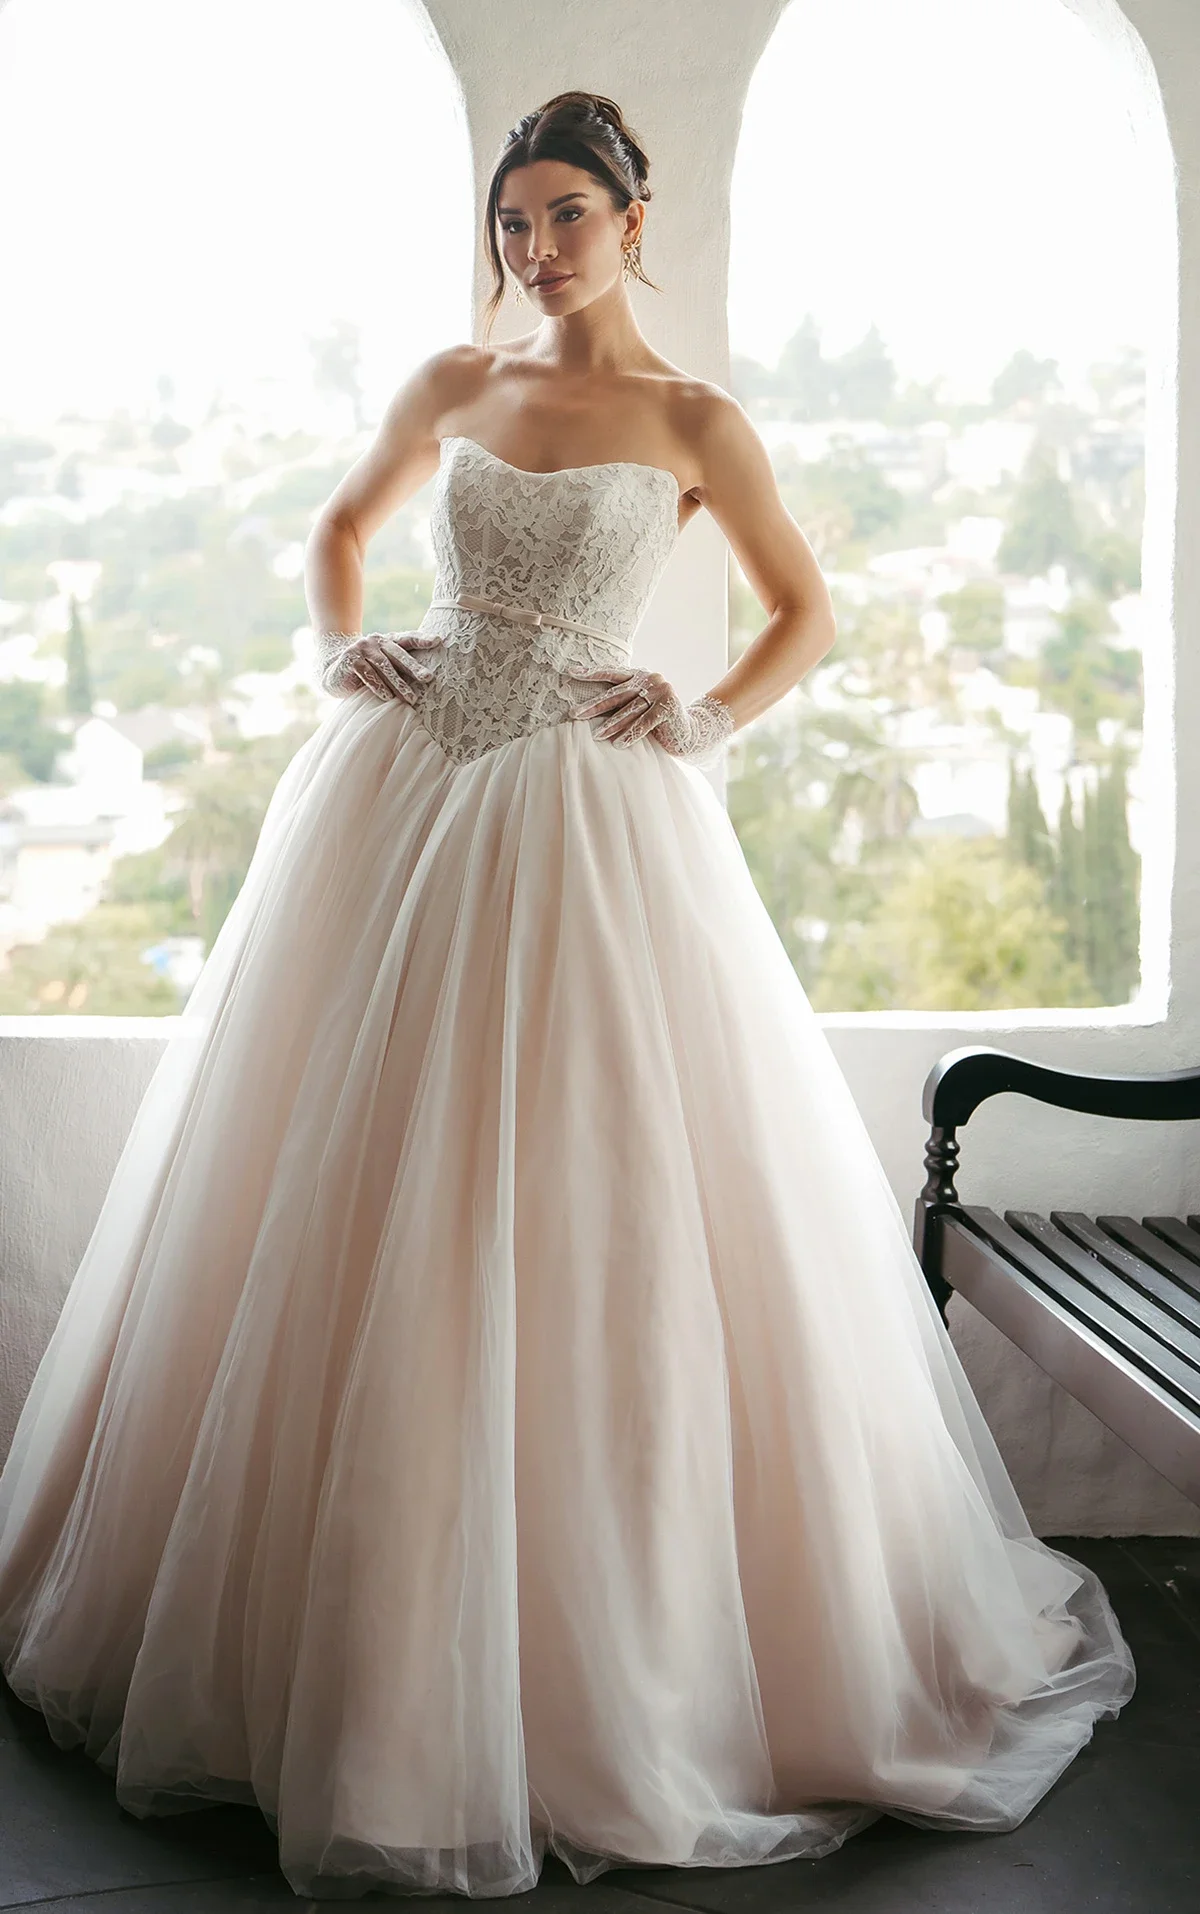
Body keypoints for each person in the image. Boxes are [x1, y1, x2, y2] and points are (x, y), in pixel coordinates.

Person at [0, 89, 1134, 1901]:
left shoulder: (694, 421)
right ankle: (347, 1656)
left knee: (593, 1204)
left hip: (588, 821)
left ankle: (608, 1662)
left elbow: (799, 610)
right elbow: (339, 533)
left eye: (561, 214)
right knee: (353, 1186)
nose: (533, 246)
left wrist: (701, 715)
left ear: (629, 211)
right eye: (511, 218)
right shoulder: (453, 382)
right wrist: (336, 639)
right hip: (404, 795)